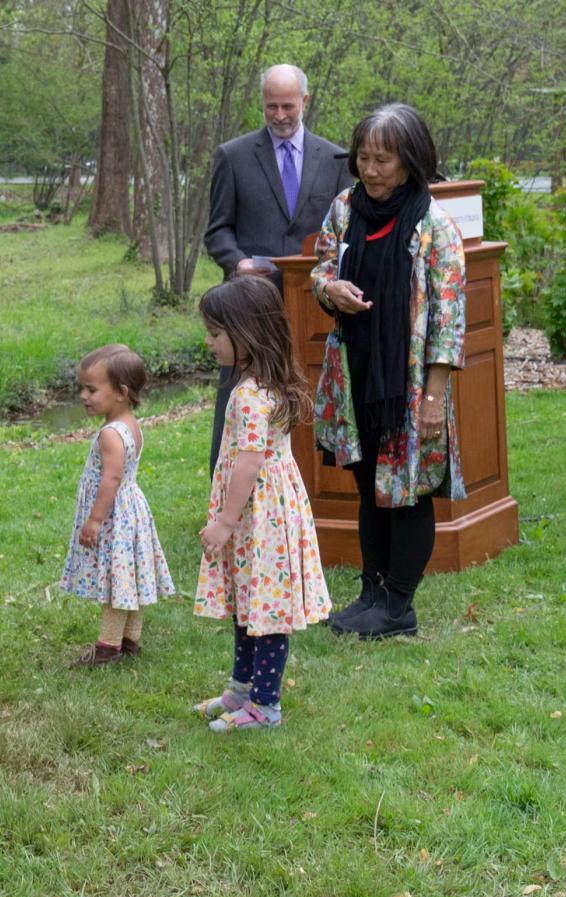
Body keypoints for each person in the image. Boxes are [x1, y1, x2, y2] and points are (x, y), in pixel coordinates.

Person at [309, 102, 467, 640]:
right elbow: (320, 270)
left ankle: (399, 606)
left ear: (412, 160)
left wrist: (434, 400)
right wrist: (328, 289)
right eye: (364, 158)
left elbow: (448, 321)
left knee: (410, 489)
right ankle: (371, 593)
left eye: (384, 160)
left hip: (410, 385)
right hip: (354, 378)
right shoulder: (343, 208)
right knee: (368, 486)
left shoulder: (434, 226)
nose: (371, 170)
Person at [192, 276, 331, 731]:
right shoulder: (260, 383)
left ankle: (265, 706)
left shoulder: (252, 396)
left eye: (216, 333)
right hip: (262, 512)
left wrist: (224, 524)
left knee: (266, 610)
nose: (209, 342)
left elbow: (249, 466)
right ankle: (242, 690)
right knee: (249, 600)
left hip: (259, 516)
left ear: (246, 331)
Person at [202, 64, 354, 477]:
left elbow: (346, 231)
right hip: (250, 304)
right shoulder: (232, 157)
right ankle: (227, 485)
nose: (281, 115)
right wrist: (238, 263)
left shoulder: (338, 158)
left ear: (305, 101)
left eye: (289, 105)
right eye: (272, 106)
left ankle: (307, 483)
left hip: (314, 302)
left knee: (308, 386)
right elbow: (217, 232)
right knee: (239, 390)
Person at [58, 344, 177, 665]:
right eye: (82, 388)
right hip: (131, 510)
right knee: (129, 579)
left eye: (92, 389)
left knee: (116, 582)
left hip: (114, 516)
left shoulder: (110, 434)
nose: (83, 395)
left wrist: (95, 520)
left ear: (122, 392)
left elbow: (110, 480)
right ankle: (130, 640)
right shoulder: (131, 424)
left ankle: (108, 647)